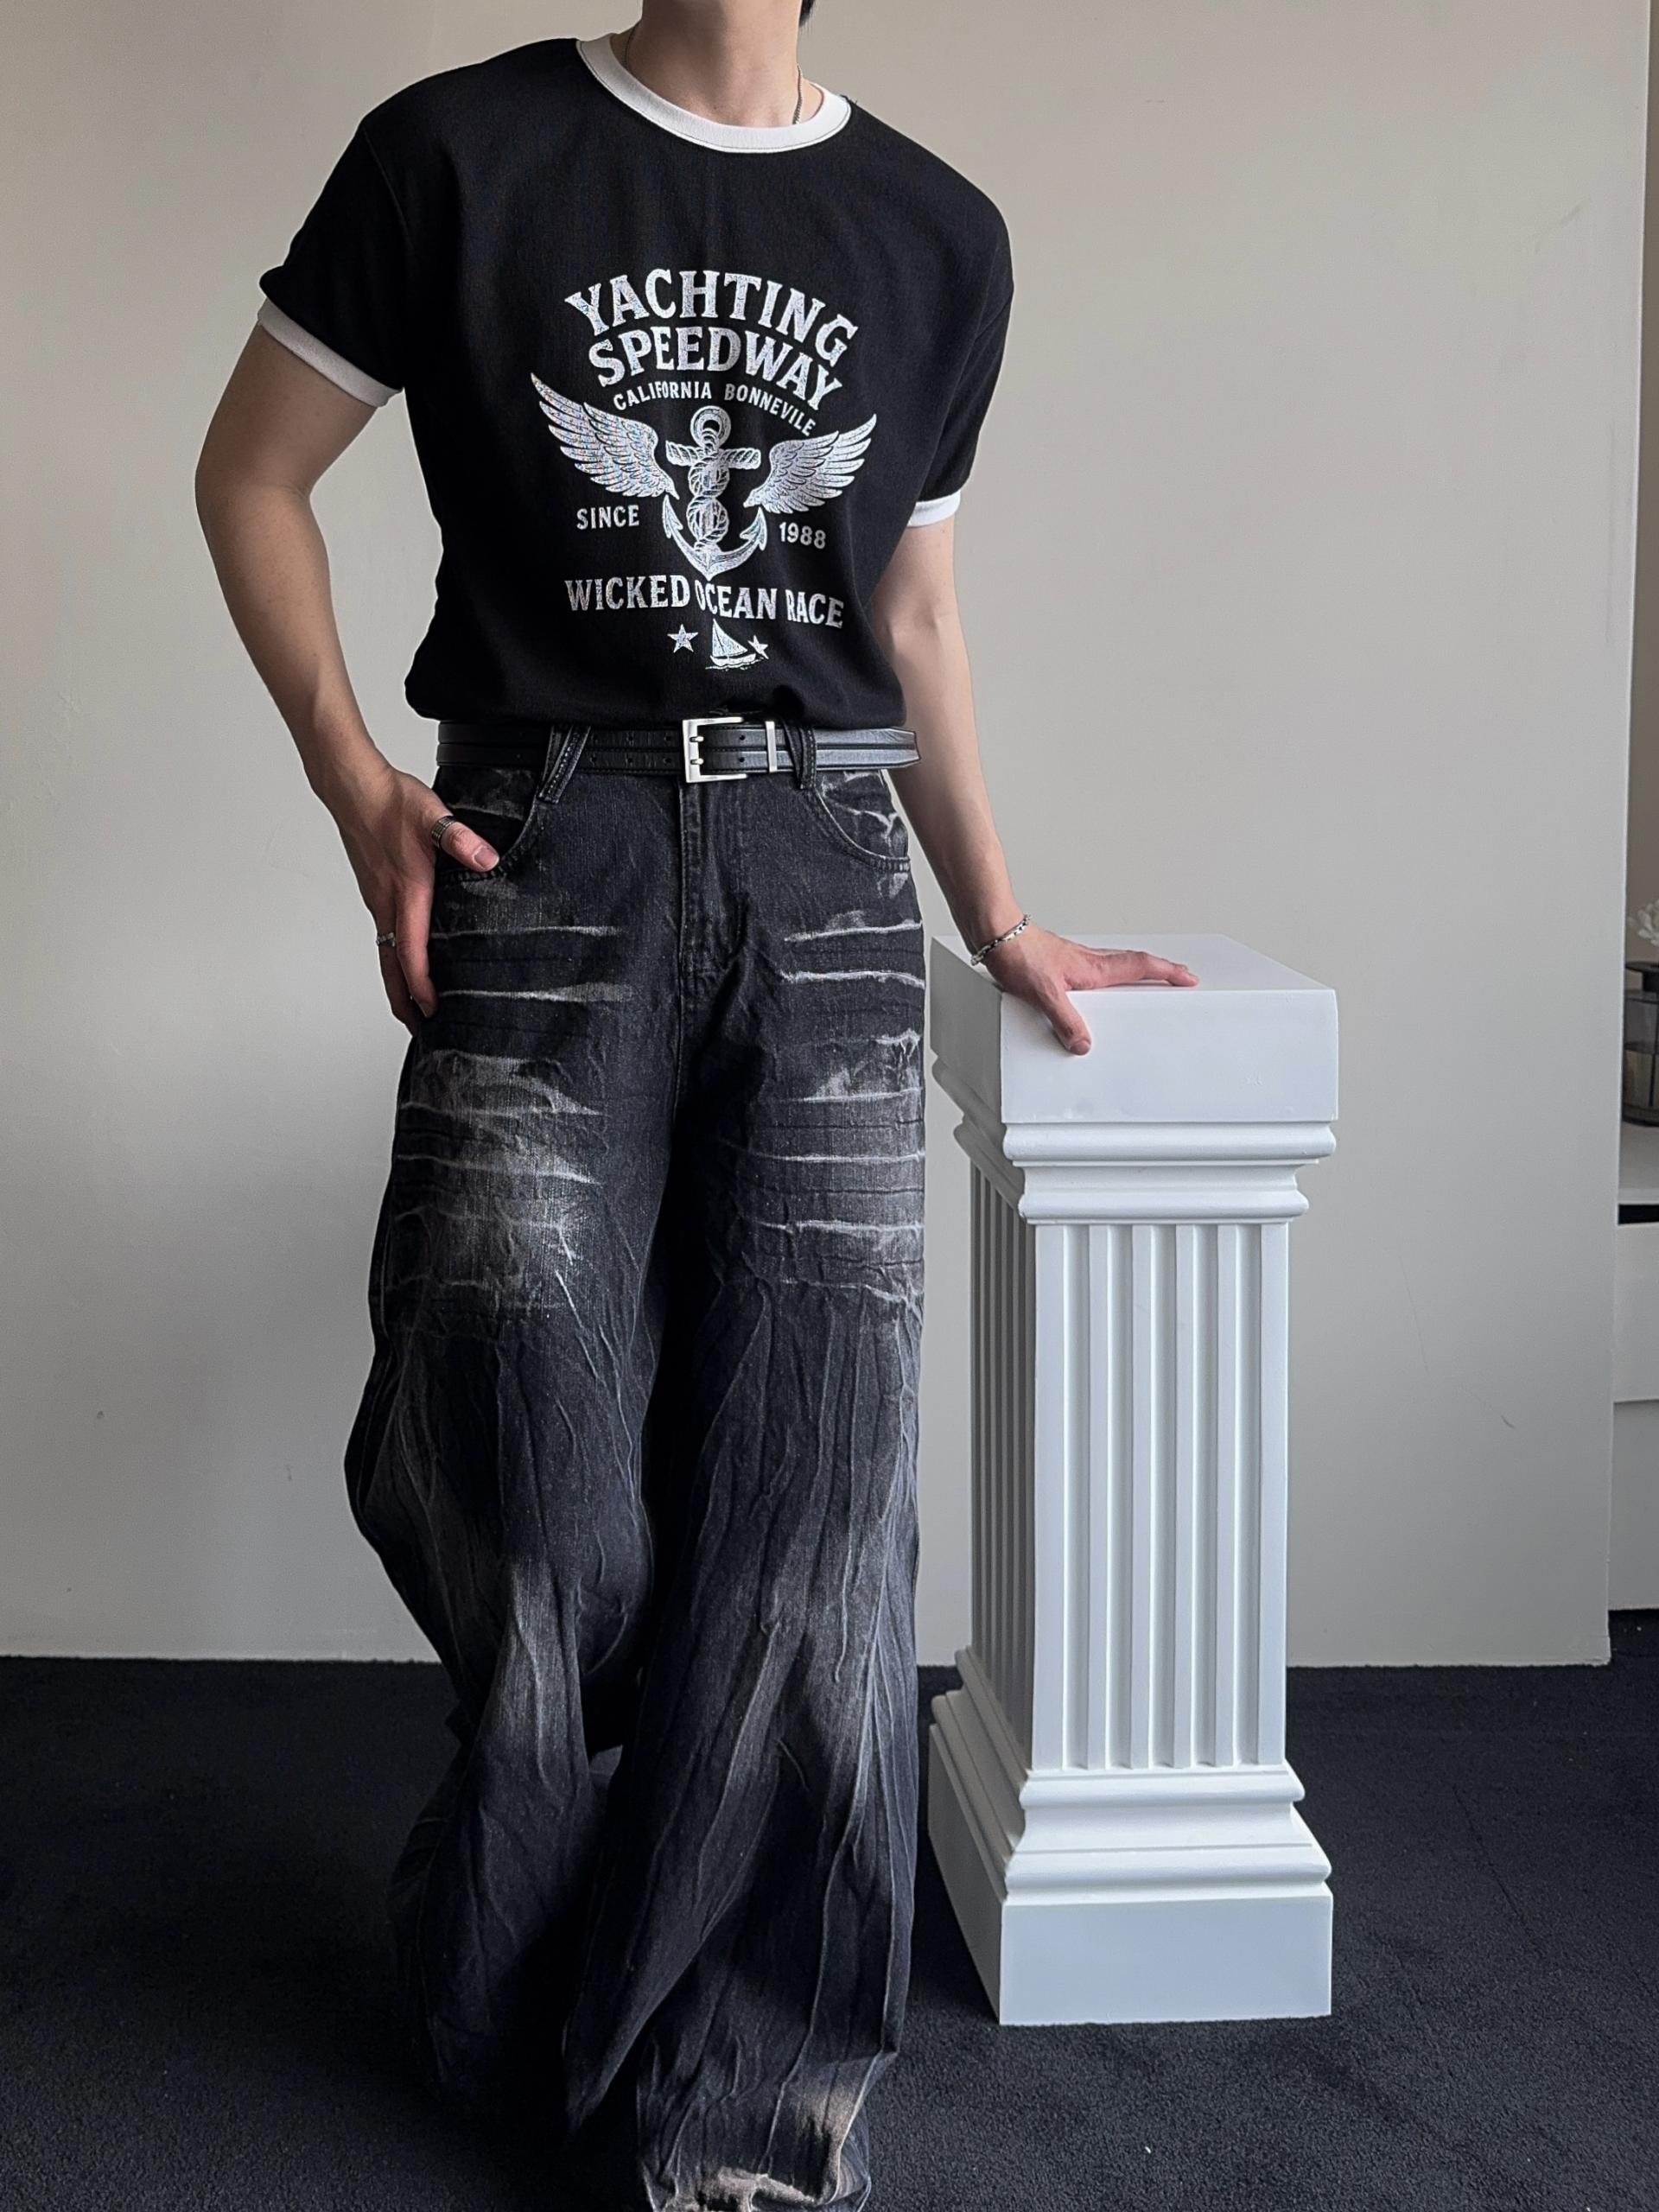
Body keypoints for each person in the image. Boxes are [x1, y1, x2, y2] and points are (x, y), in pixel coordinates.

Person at [194, 4, 1198, 2206]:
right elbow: (249, 469)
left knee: (814, 1504)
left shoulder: (936, 231)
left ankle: (740, 2117)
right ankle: (516, 1979)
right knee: (533, 1474)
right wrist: (358, 784)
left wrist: (997, 909)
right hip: (543, 842)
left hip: (825, 872)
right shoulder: (457, 154)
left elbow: (911, 606)